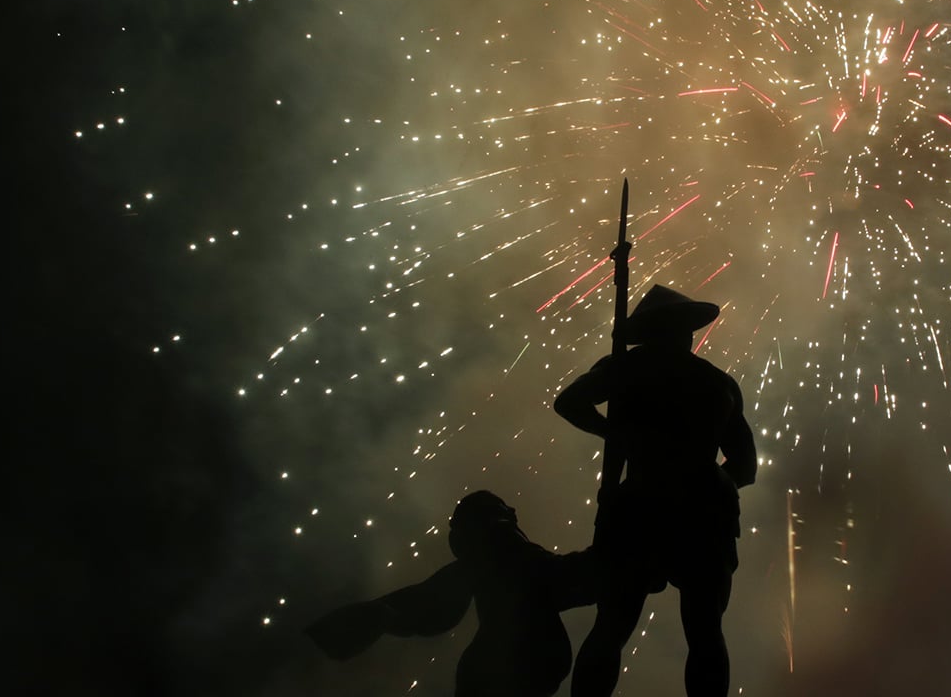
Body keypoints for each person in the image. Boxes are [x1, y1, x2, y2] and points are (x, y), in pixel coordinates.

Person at [554, 284, 757, 697]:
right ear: (686, 332)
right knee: (704, 633)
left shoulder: (626, 368)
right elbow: (745, 465)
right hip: (705, 513)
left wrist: (619, 436)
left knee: (612, 627)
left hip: (640, 507)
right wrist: (715, 483)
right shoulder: (718, 383)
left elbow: (570, 403)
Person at [306, 491, 596, 697]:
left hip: (489, 673)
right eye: (508, 511)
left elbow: (429, 609)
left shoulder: (477, 566)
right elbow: (568, 576)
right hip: (507, 674)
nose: (516, 513)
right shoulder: (509, 554)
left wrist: (381, 616)